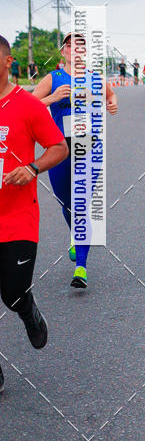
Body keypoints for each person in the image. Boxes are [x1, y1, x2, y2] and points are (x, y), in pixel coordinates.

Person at [0, 35, 69, 392]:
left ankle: (27, 310)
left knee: (11, 293)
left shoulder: (27, 105)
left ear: (9, 61)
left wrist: (32, 167)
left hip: (16, 219)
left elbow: (58, 147)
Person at [33, 32, 118, 288]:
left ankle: (81, 266)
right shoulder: (54, 78)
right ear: (63, 52)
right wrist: (53, 98)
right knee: (66, 203)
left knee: (80, 204)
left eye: (80, 45)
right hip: (58, 147)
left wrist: (112, 104)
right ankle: (76, 237)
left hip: (88, 146)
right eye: (70, 45)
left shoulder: (95, 79)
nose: (75, 49)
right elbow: (29, 104)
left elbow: (111, 95)